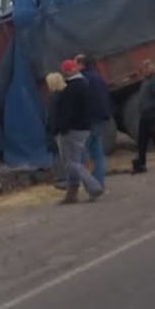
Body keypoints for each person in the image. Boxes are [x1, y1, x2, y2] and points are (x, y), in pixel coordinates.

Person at [53, 60, 104, 203]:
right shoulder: (85, 84)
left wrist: (61, 129)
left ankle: (93, 186)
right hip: (84, 127)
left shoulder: (71, 88)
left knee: (70, 163)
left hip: (71, 129)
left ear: (67, 71)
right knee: (75, 160)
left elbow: (66, 112)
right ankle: (72, 193)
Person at [76, 54, 111, 188]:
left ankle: (89, 185)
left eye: (76, 63)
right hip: (98, 119)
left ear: (82, 64)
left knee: (80, 154)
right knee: (97, 153)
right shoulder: (98, 77)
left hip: (87, 121)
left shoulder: (82, 79)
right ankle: (99, 182)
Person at [44, 72, 68, 189]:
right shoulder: (66, 94)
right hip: (66, 129)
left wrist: (51, 131)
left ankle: (63, 179)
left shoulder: (53, 98)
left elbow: (52, 117)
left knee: (58, 155)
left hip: (57, 131)